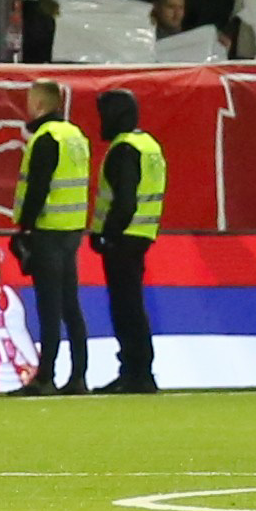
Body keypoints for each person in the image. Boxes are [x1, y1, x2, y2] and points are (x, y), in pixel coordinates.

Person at [7, 81, 94, 393]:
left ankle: (46, 376)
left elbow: (38, 188)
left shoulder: (45, 139)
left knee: (49, 306)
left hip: (48, 229)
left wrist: (25, 229)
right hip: (72, 229)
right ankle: (79, 375)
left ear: (40, 104)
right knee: (70, 304)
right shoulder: (75, 136)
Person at [89, 85, 164, 391]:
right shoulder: (148, 145)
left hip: (123, 237)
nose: (101, 121)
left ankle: (135, 372)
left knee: (125, 307)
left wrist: (106, 235)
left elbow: (124, 201)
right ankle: (139, 370)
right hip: (142, 233)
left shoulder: (124, 148)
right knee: (132, 305)